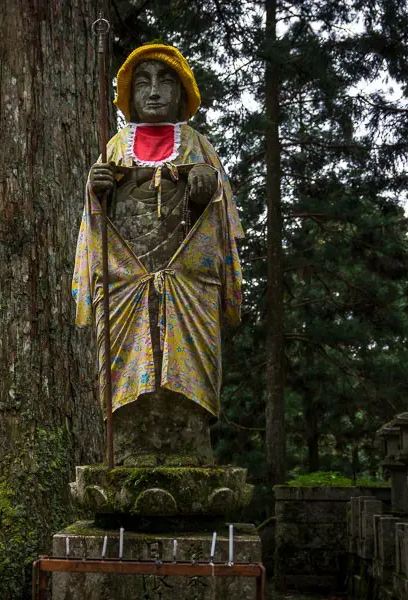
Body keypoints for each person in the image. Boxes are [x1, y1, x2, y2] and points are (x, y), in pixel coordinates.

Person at [73, 43, 244, 466]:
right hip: (126, 282)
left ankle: (190, 449)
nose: (153, 92)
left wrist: (208, 187)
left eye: (165, 81)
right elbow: (94, 225)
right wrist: (98, 191)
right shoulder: (114, 148)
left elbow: (222, 226)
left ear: (182, 93)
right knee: (128, 368)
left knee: (187, 368)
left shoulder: (199, 146)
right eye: (143, 83)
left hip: (188, 280)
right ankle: (129, 453)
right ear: (128, 96)